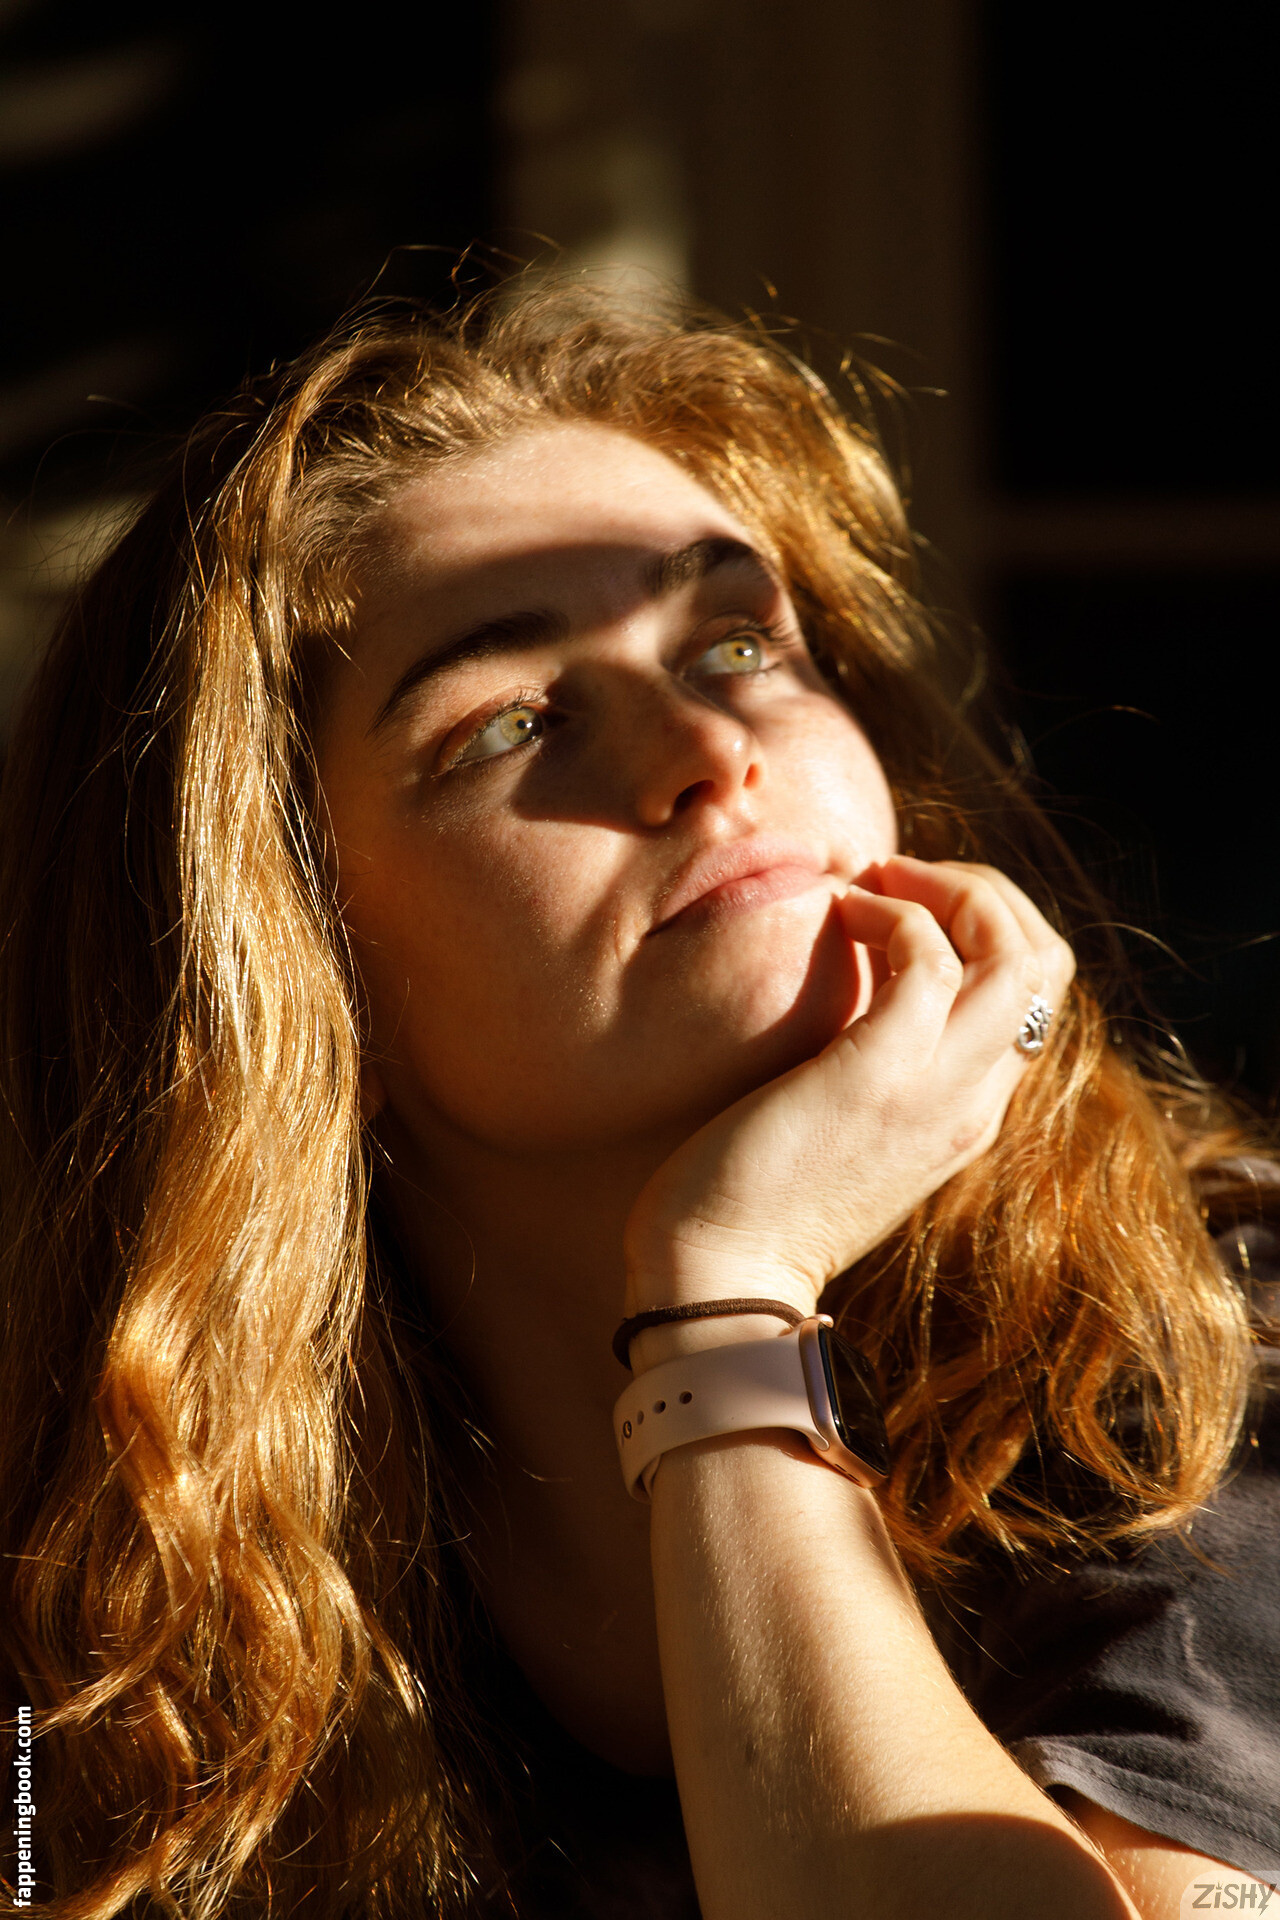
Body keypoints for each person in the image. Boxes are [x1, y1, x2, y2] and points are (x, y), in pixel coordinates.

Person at [1, 279, 1277, 1920]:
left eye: (739, 643)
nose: (710, 749)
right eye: (514, 724)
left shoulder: (1213, 1346)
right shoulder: (106, 1605)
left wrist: (725, 1299)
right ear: (290, 966)